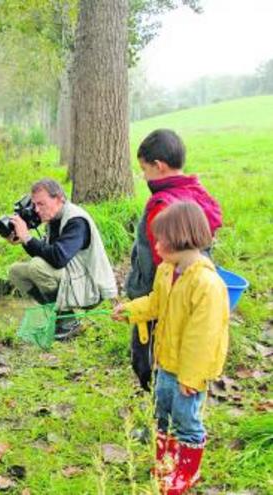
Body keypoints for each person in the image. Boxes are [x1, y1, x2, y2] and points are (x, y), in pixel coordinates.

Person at [112, 202, 229, 495]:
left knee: (187, 419)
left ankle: (188, 471)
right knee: (161, 410)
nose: (156, 245)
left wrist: (191, 377)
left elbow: (203, 337)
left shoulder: (206, 284)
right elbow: (155, 302)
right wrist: (131, 310)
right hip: (164, 361)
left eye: (161, 239)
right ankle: (166, 460)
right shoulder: (167, 271)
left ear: (182, 237)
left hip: (189, 372)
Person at [126, 129, 222, 391]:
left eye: (144, 169)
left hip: (157, 298)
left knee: (147, 359)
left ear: (159, 166)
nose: (144, 176)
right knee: (180, 348)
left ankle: (159, 403)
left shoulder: (162, 204)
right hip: (185, 297)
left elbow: (163, 264)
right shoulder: (196, 192)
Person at [7, 178, 117, 340]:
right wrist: (23, 240)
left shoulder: (76, 220)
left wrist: (28, 237)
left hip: (90, 287)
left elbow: (58, 258)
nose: (36, 210)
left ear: (59, 199)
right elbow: (45, 254)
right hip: (73, 279)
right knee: (16, 272)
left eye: (41, 204)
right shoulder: (54, 219)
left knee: (37, 267)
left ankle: (68, 320)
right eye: (34, 205)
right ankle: (58, 314)